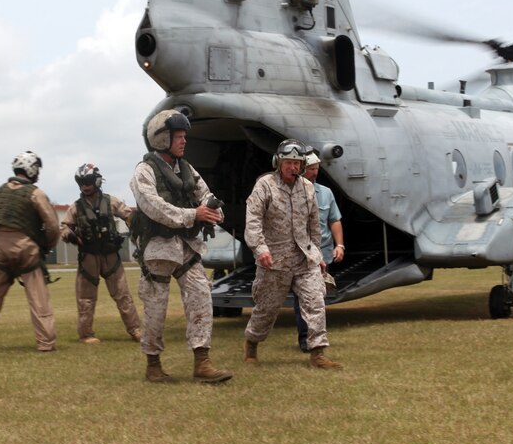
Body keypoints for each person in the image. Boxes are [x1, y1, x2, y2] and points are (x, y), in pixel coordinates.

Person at [129, 110, 232, 384]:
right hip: (158, 248)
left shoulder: (187, 169)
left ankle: (202, 361)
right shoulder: (144, 172)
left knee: (201, 297)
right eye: (179, 136)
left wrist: (213, 211)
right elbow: (154, 206)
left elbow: (205, 194)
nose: (184, 141)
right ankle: (153, 364)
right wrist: (192, 215)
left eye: (184, 136)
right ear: (162, 139)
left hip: (187, 247)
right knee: (155, 308)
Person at [242, 139, 342, 369]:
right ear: (279, 162)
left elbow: (314, 226)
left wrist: (317, 255)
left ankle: (317, 354)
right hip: (273, 261)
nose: (293, 167)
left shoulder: (307, 188)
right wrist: (260, 249)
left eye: (297, 163)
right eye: (288, 162)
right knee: (266, 310)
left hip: (303, 259)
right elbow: (253, 220)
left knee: (315, 302)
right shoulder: (264, 185)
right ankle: (252, 344)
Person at [0, 151, 59, 353]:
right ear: (32, 170)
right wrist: (47, 245)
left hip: (0, 248)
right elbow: (52, 225)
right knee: (38, 296)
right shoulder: (36, 193)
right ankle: (45, 342)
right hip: (25, 248)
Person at [61, 162, 143, 344]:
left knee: (123, 295)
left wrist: (137, 224)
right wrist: (70, 235)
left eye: (88, 181)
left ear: (96, 181)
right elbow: (64, 228)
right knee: (86, 299)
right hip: (88, 258)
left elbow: (129, 215)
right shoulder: (75, 208)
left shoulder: (111, 201)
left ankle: (135, 329)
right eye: (81, 182)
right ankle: (86, 334)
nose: (84, 185)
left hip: (111, 256)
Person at [293, 150, 344, 352]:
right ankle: (305, 339)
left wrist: (340, 245)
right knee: (302, 297)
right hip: (301, 254)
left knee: (318, 296)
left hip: (322, 252)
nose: (315, 173)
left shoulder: (326, 193)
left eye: (317, 169)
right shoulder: (293, 193)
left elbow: (334, 220)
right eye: (312, 169)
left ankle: (317, 336)